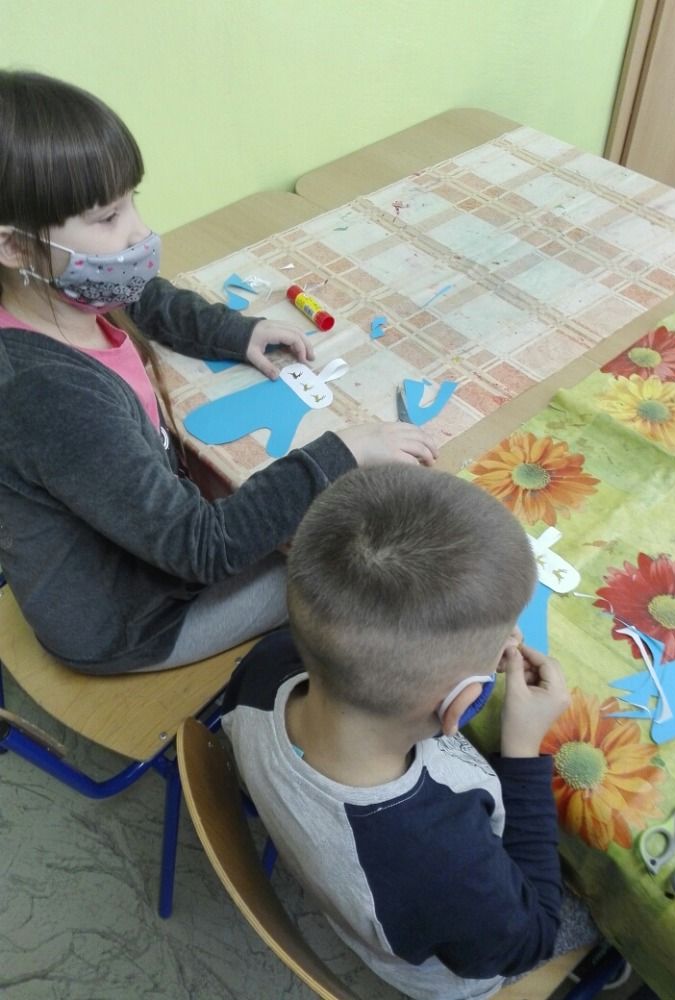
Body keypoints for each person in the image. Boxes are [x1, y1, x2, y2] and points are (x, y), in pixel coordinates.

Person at [0, 70, 436, 675]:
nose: (140, 231)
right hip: (134, 621)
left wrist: (234, 332)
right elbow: (201, 548)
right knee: (356, 566)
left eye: (132, 200)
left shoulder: (56, 294)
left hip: (145, 540)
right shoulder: (45, 393)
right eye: (107, 217)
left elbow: (143, 297)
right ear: (16, 248)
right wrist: (344, 451)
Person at [222, 464, 598, 1000]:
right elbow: (528, 938)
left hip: (371, 886)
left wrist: (463, 658)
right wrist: (521, 752)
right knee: (605, 906)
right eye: (502, 642)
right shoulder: (440, 860)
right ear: (460, 704)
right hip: (456, 960)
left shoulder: (271, 664)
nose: (512, 641)